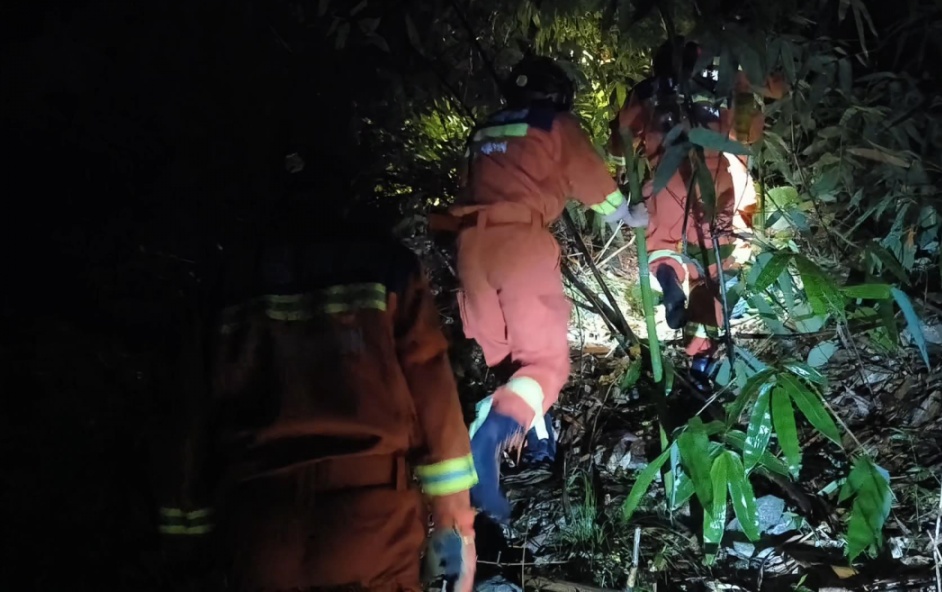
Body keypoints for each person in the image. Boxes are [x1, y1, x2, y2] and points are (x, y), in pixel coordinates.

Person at [152, 203, 478, 592]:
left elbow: (187, 416)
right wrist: (455, 519)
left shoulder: (224, 282)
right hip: (368, 521)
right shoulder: (384, 265)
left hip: (259, 521)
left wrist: (184, 538)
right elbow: (431, 384)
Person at [431, 55, 648, 525]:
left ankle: (536, 443)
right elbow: (592, 181)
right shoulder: (554, 124)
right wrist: (627, 214)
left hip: (470, 249)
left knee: (511, 363)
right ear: (558, 95)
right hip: (518, 242)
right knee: (545, 363)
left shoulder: (486, 129)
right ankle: (487, 438)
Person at [607, 36, 786, 388]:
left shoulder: (647, 91)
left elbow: (620, 136)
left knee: (662, 245)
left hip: (664, 181)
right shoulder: (722, 86)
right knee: (713, 272)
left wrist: (618, 172)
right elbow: (749, 133)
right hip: (713, 185)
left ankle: (668, 279)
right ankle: (701, 362)